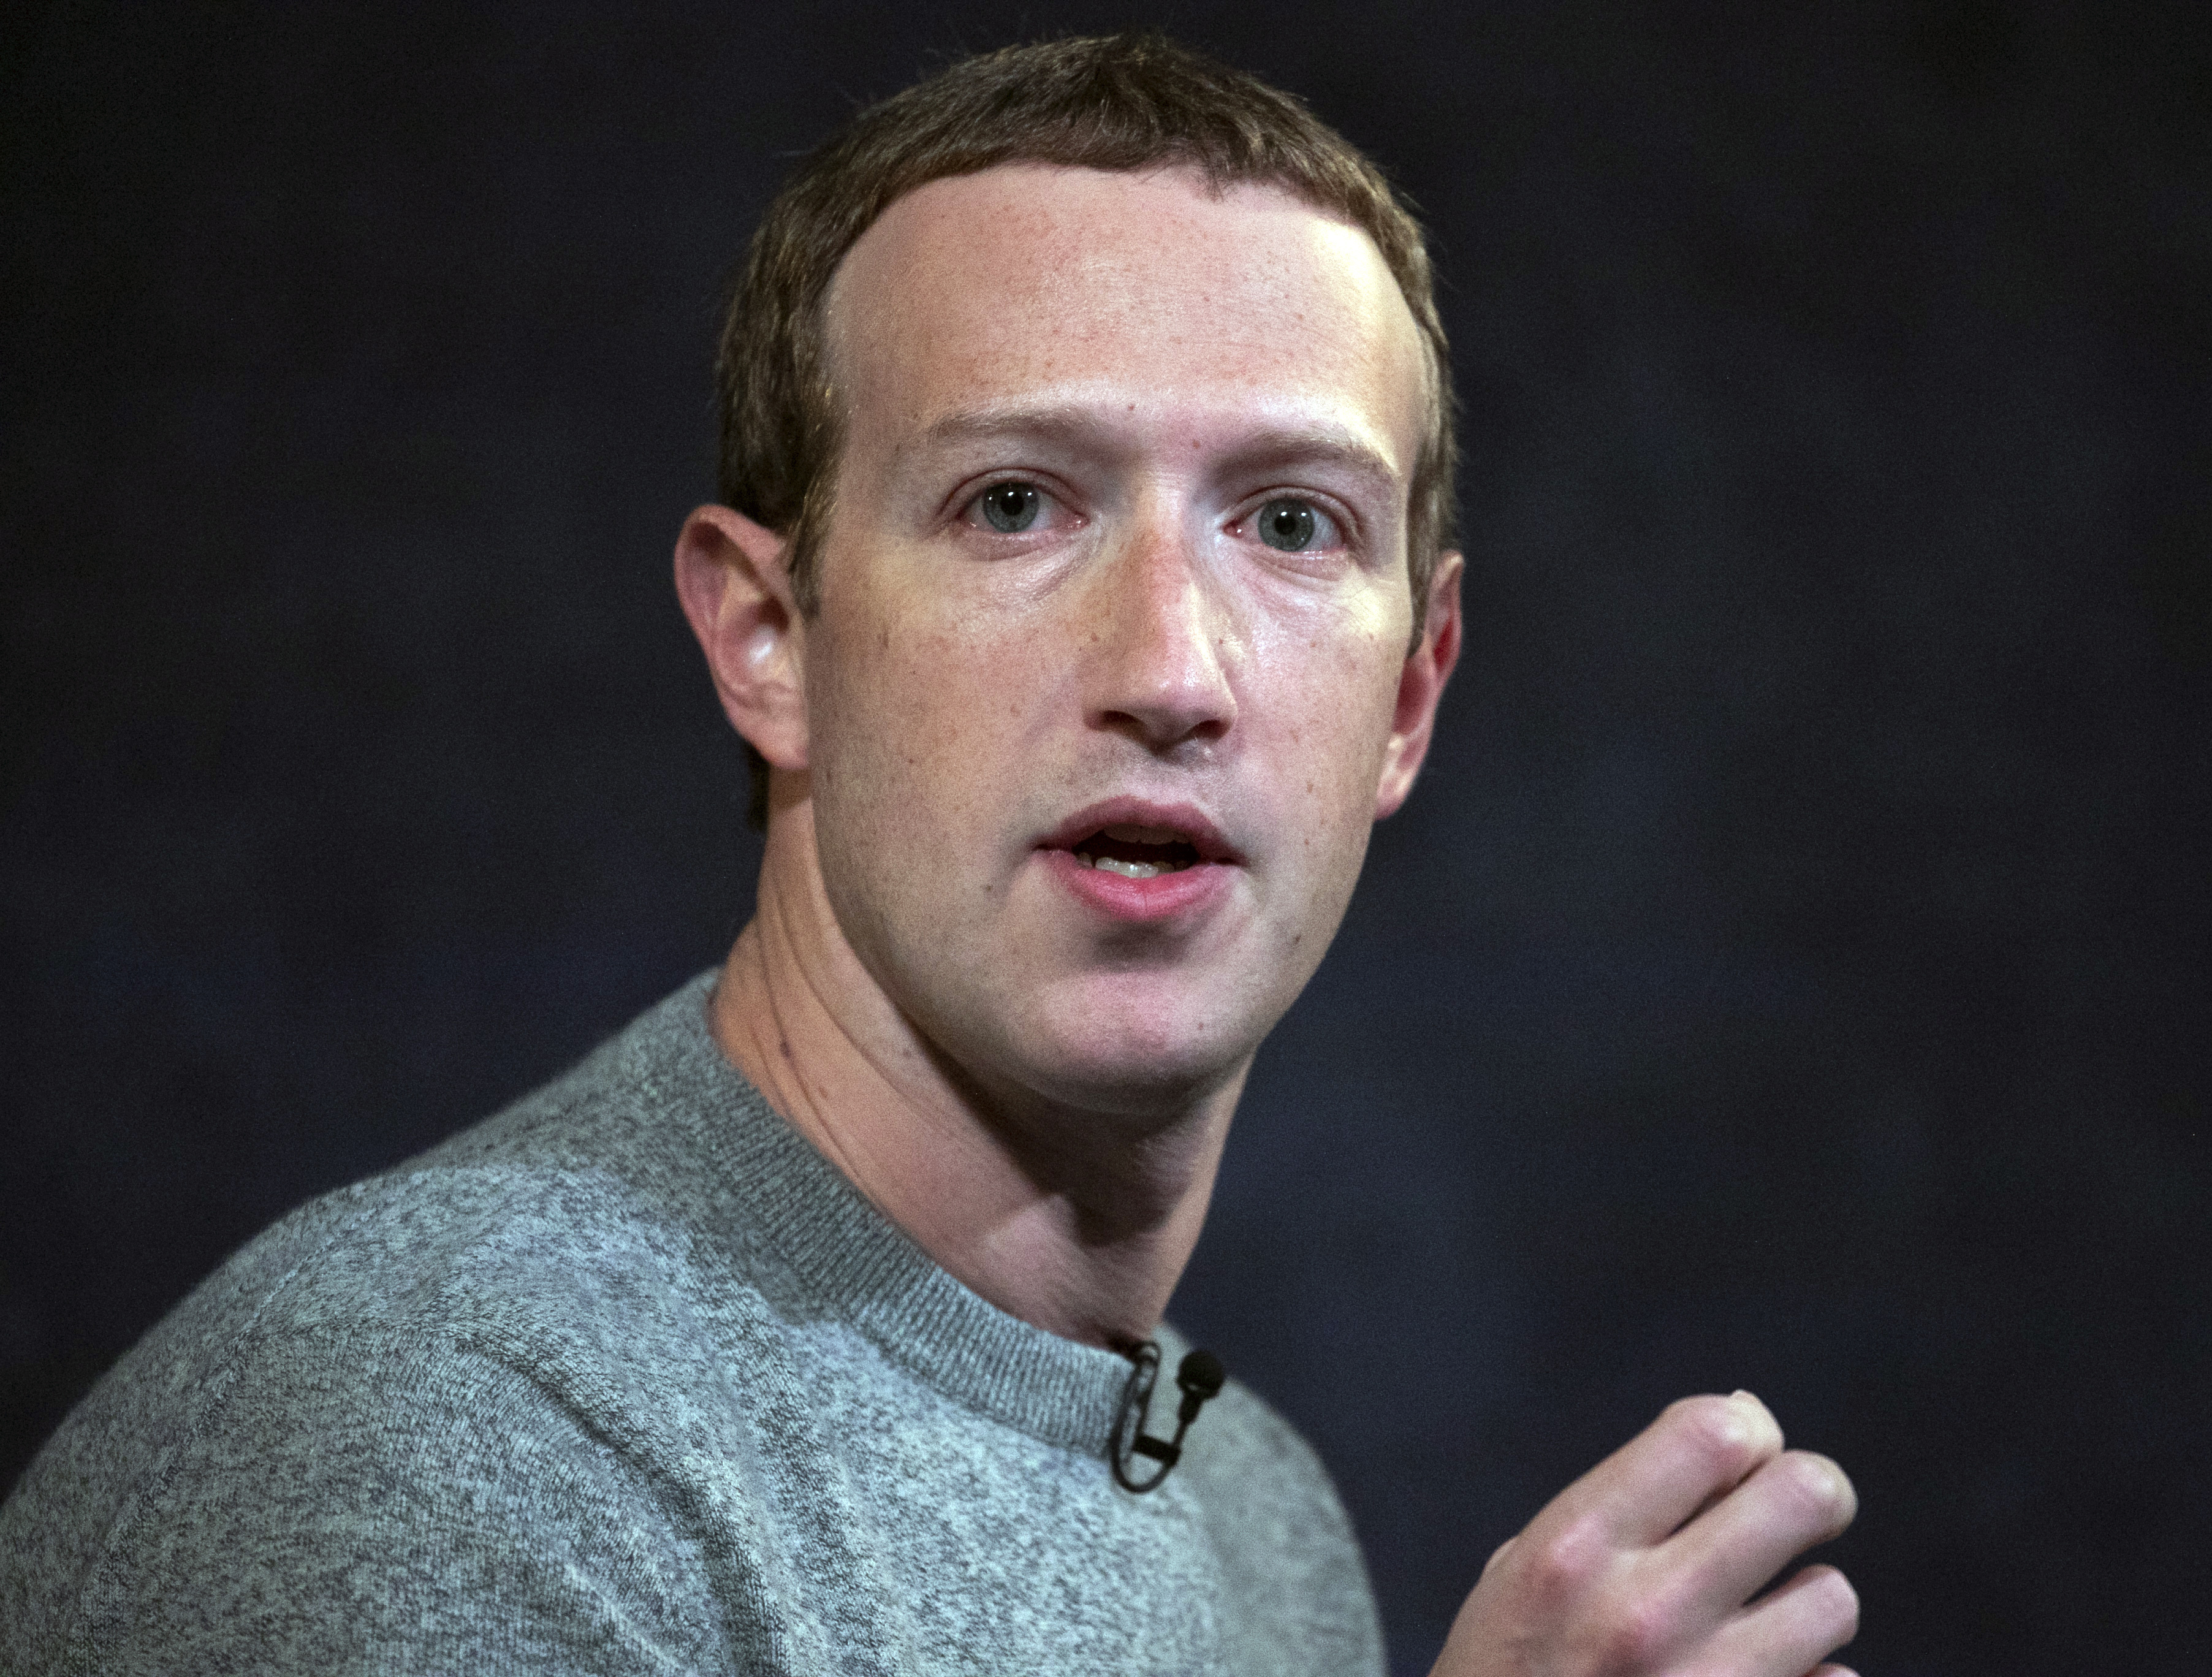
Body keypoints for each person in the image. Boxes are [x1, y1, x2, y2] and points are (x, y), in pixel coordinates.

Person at [0, 33, 1859, 1676]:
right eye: (1014, 505)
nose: (1169, 672)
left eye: (1291, 522)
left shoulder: (1259, 1524)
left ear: (1409, 697)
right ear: (768, 638)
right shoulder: (425, 1443)